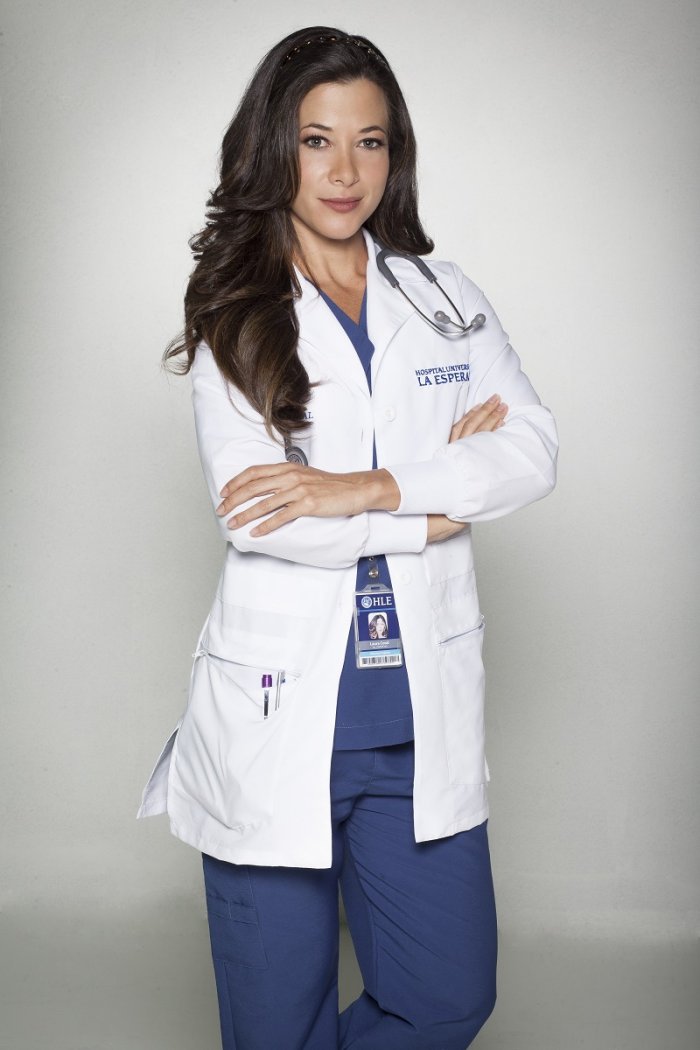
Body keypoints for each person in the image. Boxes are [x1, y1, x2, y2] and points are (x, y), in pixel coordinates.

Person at [136, 25, 558, 1050]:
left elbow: (532, 452)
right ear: (272, 149)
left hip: (416, 724)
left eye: (369, 142)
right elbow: (261, 515)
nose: (343, 171)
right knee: (276, 1029)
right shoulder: (238, 311)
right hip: (280, 718)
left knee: (445, 997)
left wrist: (361, 488)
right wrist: (442, 504)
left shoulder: (445, 300)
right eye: (316, 140)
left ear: (393, 155)